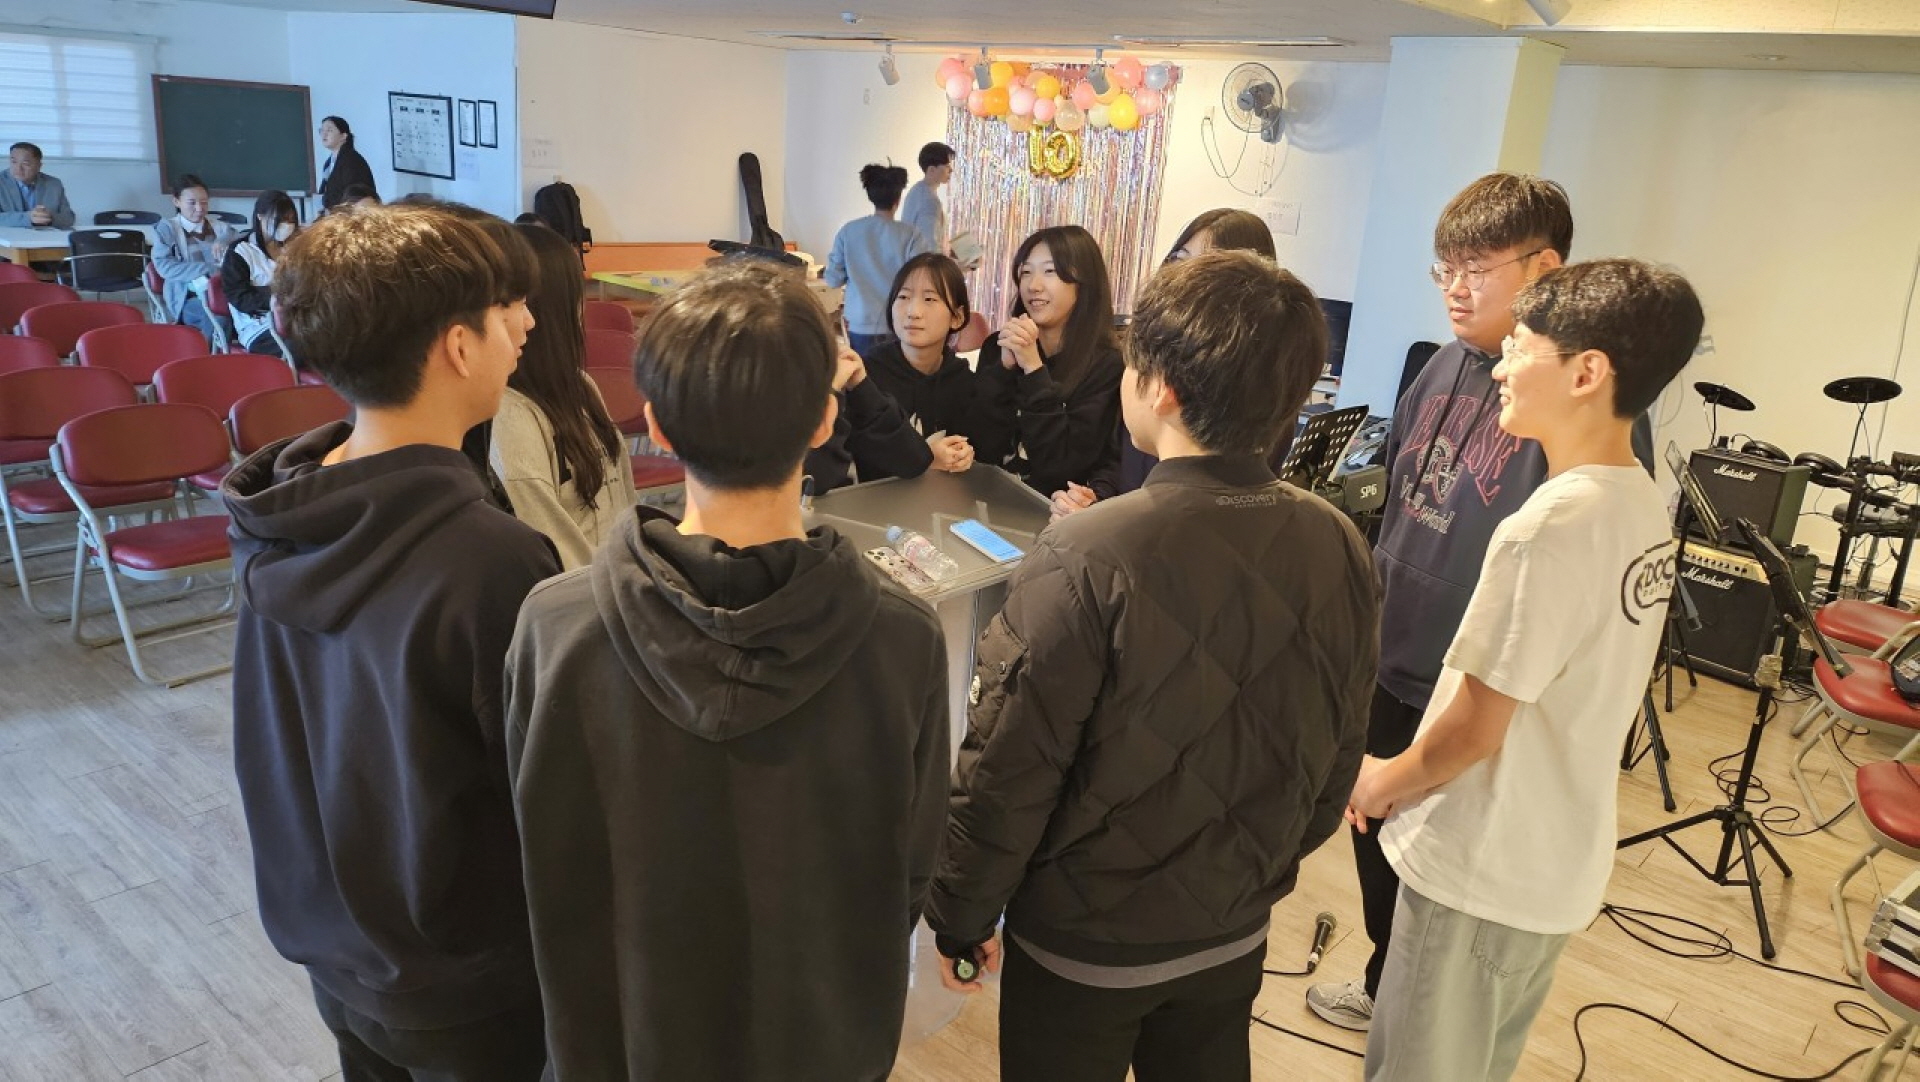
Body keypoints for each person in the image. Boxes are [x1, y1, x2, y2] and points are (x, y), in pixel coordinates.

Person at [928, 249, 1377, 1082]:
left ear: (1160, 387)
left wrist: (961, 913)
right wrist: (1255, 871)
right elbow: (1340, 745)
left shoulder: (1085, 552)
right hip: (1234, 924)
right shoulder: (1337, 539)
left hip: (1083, 945)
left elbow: (1007, 769)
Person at [504, 259, 949, 1080]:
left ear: (657, 428)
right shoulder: (904, 638)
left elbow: (534, 845)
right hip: (824, 1045)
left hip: (620, 1041)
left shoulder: (553, 626)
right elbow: (909, 874)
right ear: (825, 419)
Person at [1304, 173, 1653, 1034]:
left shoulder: (1575, 407)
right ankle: (1387, 980)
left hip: (1471, 683)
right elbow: (1403, 504)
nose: (1456, 288)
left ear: (1545, 270)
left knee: (1432, 870)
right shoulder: (1440, 366)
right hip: (1389, 654)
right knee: (1372, 835)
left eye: (1476, 268)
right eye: (1445, 268)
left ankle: (1406, 999)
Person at [222, 203, 557, 1081]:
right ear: (458, 346)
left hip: (334, 946)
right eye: (504, 310)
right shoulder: (487, 557)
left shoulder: (284, 509)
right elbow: (545, 790)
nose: (526, 324)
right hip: (465, 979)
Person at [1352, 259, 1700, 1080]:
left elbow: (1477, 726)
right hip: (1550, 866)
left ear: (1586, 373)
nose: (1501, 367)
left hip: (1482, 864)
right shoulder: (1639, 502)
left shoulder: (1546, 528)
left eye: (1521, 347)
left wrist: (1380, 780)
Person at [1054, 209, 1277, 519]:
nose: (1183, 275)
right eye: (1179, 259)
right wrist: (1096, 504)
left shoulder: (1253, 391)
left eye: (1207, 264)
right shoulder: (1151, 353)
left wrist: (1112, 523)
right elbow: (1120, 460)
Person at [488, 221, 634, 569]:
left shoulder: (581, 385)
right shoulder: (510, 414)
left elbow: (624, 500)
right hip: (584, 593)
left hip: (620, 579)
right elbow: (548, 551)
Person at [971, 224, 1123, 498]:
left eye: (1050, 271)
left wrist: (1033, 370)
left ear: (1084, 282)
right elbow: (980, 449)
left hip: (1054, 511)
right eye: (1026, 272)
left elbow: (1061, 467)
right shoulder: (998, 347)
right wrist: (1002, 372)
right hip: (987, 501)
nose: (1034, 286)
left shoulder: (1107, 365)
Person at [860, 252, 979, 476]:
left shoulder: (962, 380)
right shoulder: (867, 376)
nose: (913, 312)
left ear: (957, 317)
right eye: (903, 297)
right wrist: (925, 458)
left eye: (929, 299)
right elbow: (864, 454)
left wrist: (963, 455)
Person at [823, 163, 933, 356]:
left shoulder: (848, 231)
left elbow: (833, 279)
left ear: (870, 196)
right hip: (899, 321)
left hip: (860, 323)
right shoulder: (911, 235)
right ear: (897, 199)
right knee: (894, 372)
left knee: (863, 372)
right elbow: (923, 277)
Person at [149, 174, 236, 345]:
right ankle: (208, 357)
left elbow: (241, 246)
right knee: (218, 316)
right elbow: (165, 267)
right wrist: (208, 268)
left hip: (225, 293)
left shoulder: (221, 228)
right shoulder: (167, 229)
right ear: (176, 201)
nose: (199, 208)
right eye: (192, 203)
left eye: (204, 202)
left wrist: (225, 240)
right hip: (188, 298)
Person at [220, 190, 301, 358]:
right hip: (259, 328)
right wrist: (275, 297)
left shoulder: (293, 247)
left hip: (297, 320)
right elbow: (239, 297)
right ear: (260, 217)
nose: (286, 225)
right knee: (303, 347)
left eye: (290, 220)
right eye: (279, 220)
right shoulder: (240, 252)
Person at [0, 142, 75, 229]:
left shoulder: (53, 184)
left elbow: (69, 218)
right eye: (14, 162)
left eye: (25, 163)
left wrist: (49, 217)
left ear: (39, 166)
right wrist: (28, 218)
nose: (18, 168)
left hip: (44, 236)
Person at [901, 141, 954, 254]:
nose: (951, 170)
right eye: (947, 166)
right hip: (925, 261)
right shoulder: (929, 200)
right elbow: (929, 245)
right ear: (931, 170)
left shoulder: (917, 190)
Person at [317, 115, 377, 209]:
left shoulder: (352, 160)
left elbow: (354, 194)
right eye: (321, 130)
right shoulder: (329, 163)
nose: (324, 134)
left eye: (329, 130)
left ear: (343, 136)